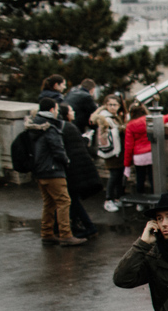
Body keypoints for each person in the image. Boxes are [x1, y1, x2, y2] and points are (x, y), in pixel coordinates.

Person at [26, 98, 84, 246]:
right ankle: (66, 235)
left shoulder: (33, 126)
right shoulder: (50, 127)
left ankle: (47, 233)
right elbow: (57, 149)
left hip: (39, 171)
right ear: (52, 110)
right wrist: (66, 161)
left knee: (49, 203)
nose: (57, 111)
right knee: (64, 201)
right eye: (56, 109)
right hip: (53, 170)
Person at [124, 103, 168, 195]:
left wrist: (127, 165)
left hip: (139, 157)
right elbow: (167, 118)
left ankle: (140, 199)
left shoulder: (130, 125)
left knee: (140, 178)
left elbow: (128, 146)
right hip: (151, 153)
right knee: (153, 177)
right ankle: (155, 196)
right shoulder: (150, 120)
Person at [59, 102, 102, 239]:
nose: (73, 113)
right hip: (79, 170)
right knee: (73, 200)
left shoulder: (65, 127)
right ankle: (80, 224)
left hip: (73, 171)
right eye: (71, 111)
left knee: (72, 200)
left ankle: (89, 227)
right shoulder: (70, 127)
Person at [93, 93, 128, 212]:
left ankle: (118, 198)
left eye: (115, 105)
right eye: (110, 104)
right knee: (114, 176)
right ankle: (109, 199)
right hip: (113, 152)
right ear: (106, 105)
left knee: (119, 175)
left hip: (119, 151)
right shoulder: (105, 118)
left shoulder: (115, 116)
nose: (113, 107)